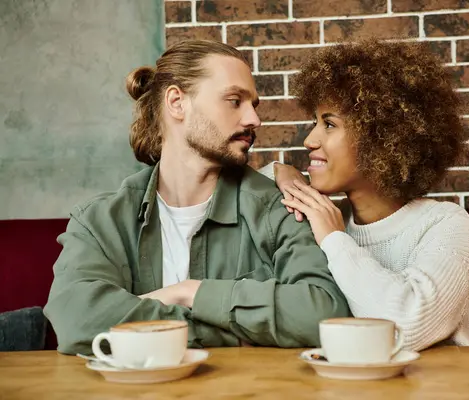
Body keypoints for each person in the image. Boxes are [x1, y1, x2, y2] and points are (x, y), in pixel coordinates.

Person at [44, 40, 350, 355]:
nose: (254, 119)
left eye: (253, 105)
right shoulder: (99, 221)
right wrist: (227, 332)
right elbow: (76, 321)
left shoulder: (281, 208)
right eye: (234, 101)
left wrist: (188, 293)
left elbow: (322, 313)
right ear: (177, 102)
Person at [265, 38, 469, 351]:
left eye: (329, 124)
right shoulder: (327, 216)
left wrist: (334, 240)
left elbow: (405, 327)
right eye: (314, 122)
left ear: (382, 137)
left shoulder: (447, 225)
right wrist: (279, 171)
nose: (309, 140)